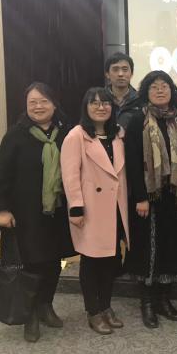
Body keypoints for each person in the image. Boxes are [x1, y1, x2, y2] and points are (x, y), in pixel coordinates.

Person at [0, 82, 75, 342]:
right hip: (26, 213)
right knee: (32, 264)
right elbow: (1, 176)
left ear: (54, 104)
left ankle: (46, 305)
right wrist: (3, 209)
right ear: (26, 106)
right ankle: (30, 314)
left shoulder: (66, 133)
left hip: (57, 211)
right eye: (32, 102)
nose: (38, 106)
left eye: (44, 101)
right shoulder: (16, 135)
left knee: (55, 261)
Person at [123, 71, 177, 328]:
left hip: (174, 195)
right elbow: (132, 161)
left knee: (171, 246)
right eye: (154, 87)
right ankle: (147, 302)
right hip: (149, 196)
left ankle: (164, 299)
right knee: (148, 249)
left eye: (164, 86)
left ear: (172, 90)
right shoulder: (137, 120)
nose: (160, 90)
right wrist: (141, 197)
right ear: (146, 92)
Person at [61, 87, 130, 335]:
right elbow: (70, 176)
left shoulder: (118, 134)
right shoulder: (76, 136)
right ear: (86, 107)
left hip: (115, 207)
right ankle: (93, 311)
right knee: (91, 262)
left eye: (106, 103)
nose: (101, 107)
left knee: (110, 261)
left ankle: (106, 306)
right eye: (95, 103)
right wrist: (76, 207)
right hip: (90, 209)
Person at [104, 52, 141, 129]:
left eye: (125, 70)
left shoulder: (141, 100)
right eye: (115, 70)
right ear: (107, 74)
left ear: (131, 74)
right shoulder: (100, 99)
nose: (120, 74)